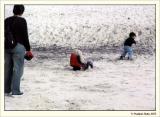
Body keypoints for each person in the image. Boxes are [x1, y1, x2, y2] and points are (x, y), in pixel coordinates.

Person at [5, 5, 33, 95]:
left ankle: (6, 89)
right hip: (18, 47)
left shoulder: (6, 20)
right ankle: (15, 91)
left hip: (7, 47)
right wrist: (28, 49)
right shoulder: (22, 21)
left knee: (7, 68)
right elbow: (25, 36)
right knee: (18, 69)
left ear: (13, 11)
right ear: (22, 11)